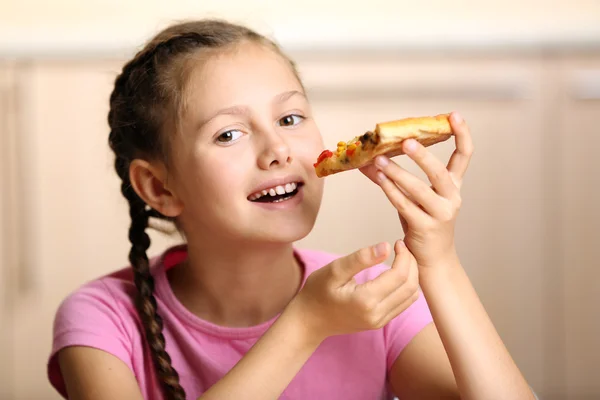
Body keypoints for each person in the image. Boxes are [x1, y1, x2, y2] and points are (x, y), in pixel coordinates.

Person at [46, 19, 535, 400]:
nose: (277, 148)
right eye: (229, 134)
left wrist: (439, 261)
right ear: (158, 187)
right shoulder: (101, 319)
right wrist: (304, 325)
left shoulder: (371, 299)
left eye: (290, 117)